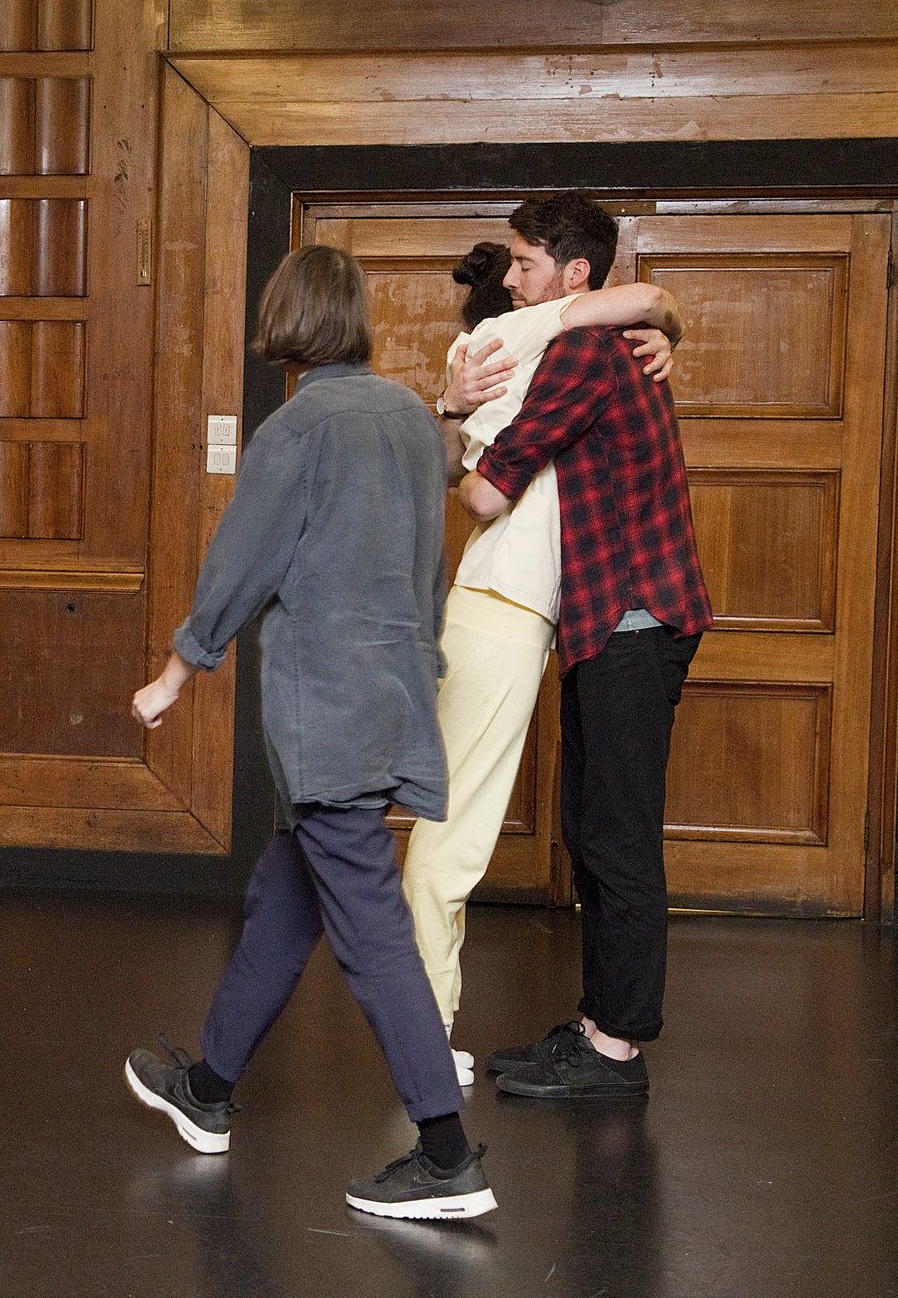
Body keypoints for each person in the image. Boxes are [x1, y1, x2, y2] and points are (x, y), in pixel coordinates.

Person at [123, 244, 495, 1221]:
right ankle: (204, 1090)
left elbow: (238, 567)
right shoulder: (412, 426)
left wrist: (173, 674)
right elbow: (426, 575)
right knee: (285, 895)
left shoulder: (295, 429)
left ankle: (446, 1154)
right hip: (392, 700)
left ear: (285, 321)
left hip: (324, 714)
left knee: (370, 931)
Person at [453, 191, 712, 1100]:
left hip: (630, 617)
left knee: (618, 837)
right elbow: (653, 304)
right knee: (593, 830)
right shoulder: (599, 342)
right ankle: (603, 1025)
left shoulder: (578, 356)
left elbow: (486, 494)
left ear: (572, 275)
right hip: (616, 618)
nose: (509, 280)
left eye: (522, 264)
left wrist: (459, 421)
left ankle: (617, 1047)